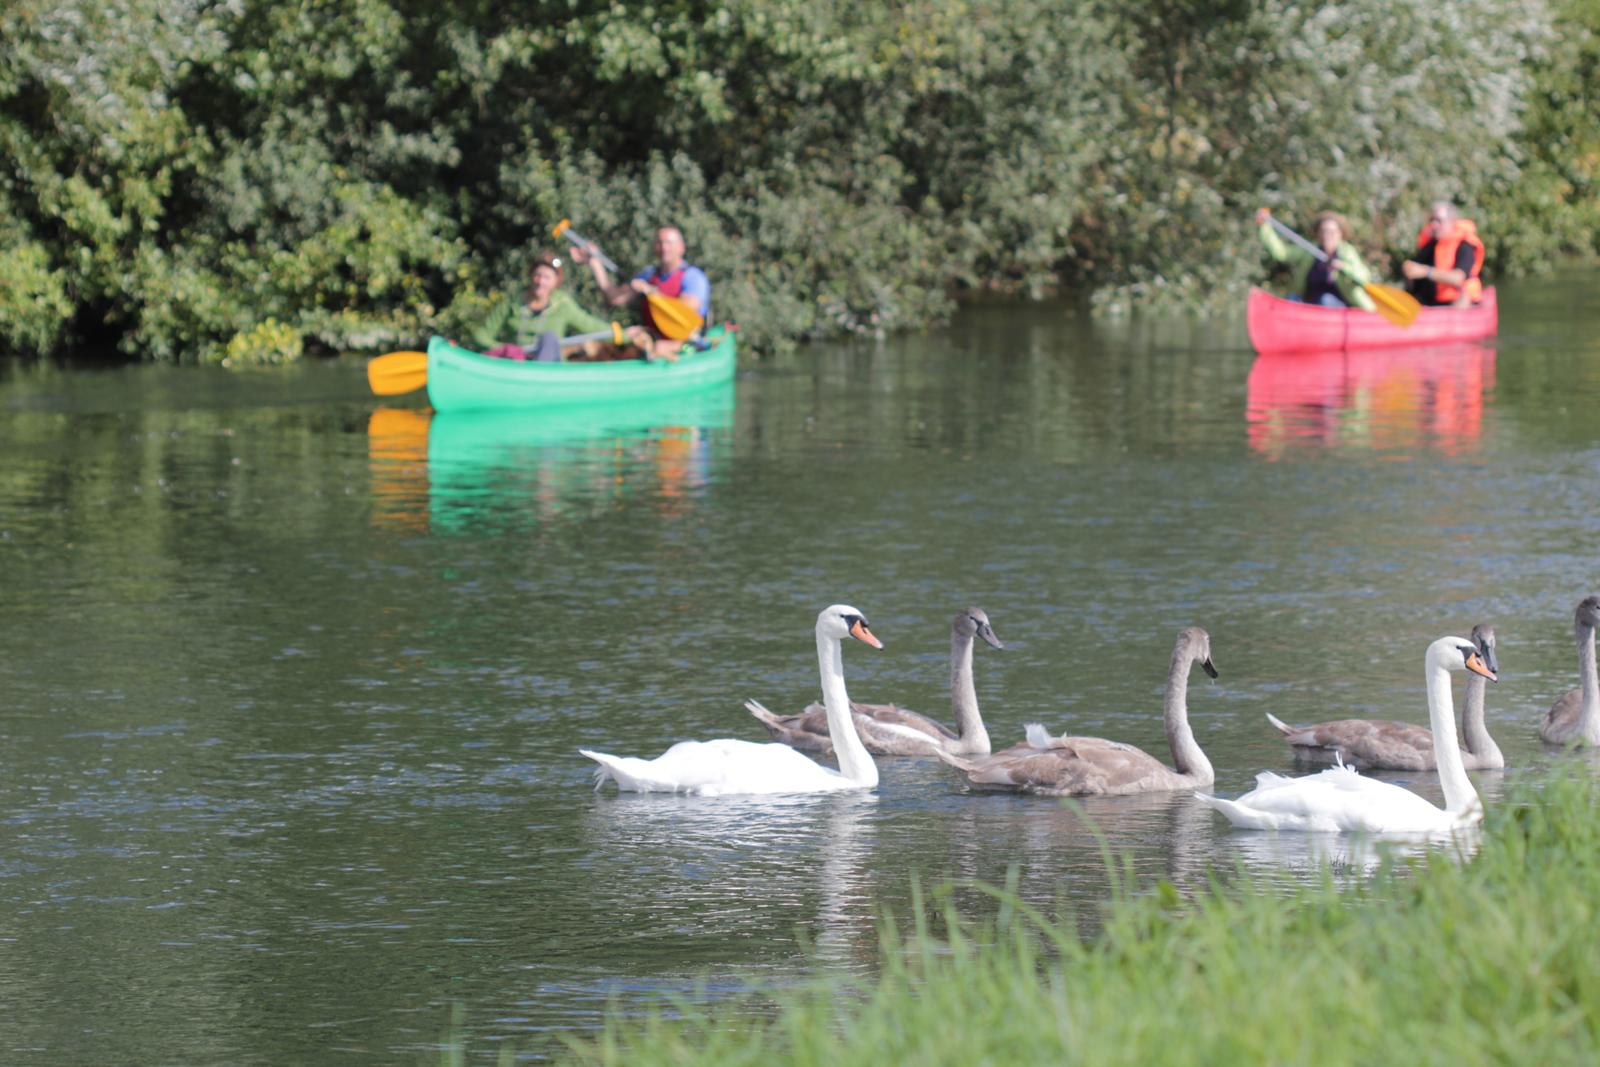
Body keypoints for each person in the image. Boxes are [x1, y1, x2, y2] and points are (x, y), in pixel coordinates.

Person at [572, 225, 711, 361]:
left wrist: (651, 292)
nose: (664, 248)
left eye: (669, 243)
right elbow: (615, 298)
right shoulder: (648, 275)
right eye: (660, 243)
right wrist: (596, 264)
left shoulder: (693, 277)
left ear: (681, 247)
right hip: (652, 340)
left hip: (685, 341)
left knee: (658, 346)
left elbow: (686, 309)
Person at [470, 252, 620, 361]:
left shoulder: (563, 305)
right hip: (518, 364)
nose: (541, 282)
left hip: (549, 368)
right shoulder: (513, 302)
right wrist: (504, 349)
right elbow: (481, 335)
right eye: (537, 275)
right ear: (531, 276)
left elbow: (592, 326)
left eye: (547, 277)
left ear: (556, 282)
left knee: (548, 338)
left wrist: (624, 334)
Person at [1255, 208, 1376, 311]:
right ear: (1318, 234)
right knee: (1291, 299)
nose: (1327, 236)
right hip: (1309, 303)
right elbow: (1281, 253)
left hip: (1338, 306)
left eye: (1331, 232)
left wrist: (1343, 267)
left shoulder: (1347, 252)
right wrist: (1264, 227)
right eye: (1323, 231)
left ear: (1340, 233)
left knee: (1325, 299)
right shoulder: (1310, 250)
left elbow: (1364, 277)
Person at [1400, 201, 1484, 307]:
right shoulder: (1432, 243)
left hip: (1457, 301)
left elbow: (1458, 277)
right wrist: (1408, 267)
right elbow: (1414, 266)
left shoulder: (1465, 245)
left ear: (1452, 222)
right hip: (1432, 301)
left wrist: (1426, 272)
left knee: (1464, 299)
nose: (1434, 225)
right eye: (1432, 220)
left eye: (1439, 220)